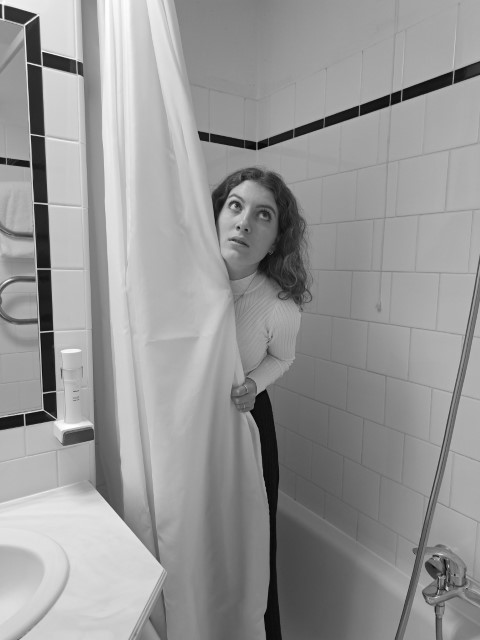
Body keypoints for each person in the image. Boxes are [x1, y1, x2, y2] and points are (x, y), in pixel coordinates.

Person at [212, 166, 311, 640]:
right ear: (217, 216)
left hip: (246, 419)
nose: (244, 222)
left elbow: (283, 357)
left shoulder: (278, 305)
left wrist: (253, 383)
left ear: (275, 241)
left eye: (263, 215)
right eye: (235, 206)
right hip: (191, 427)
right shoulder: (184, 281)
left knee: (250, 544)